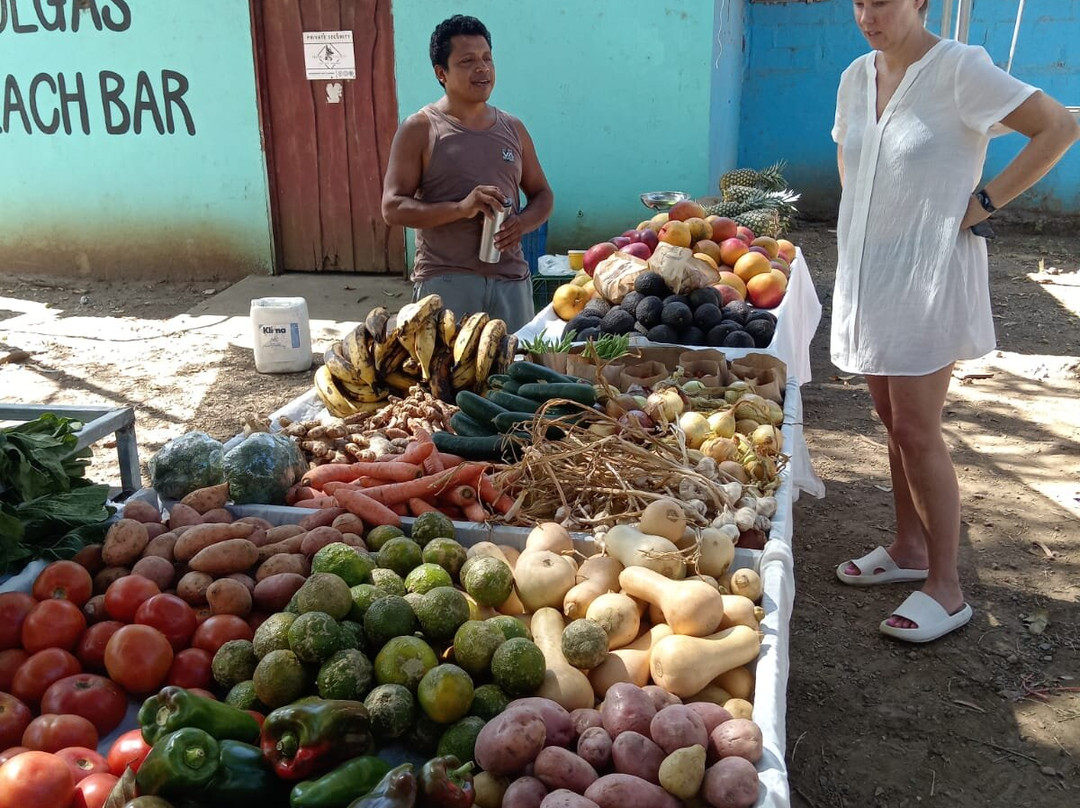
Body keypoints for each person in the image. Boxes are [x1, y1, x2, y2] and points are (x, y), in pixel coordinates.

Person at [831, 0, 1079, 642]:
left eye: (881, 1)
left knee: (918, 428)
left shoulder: (960, 69)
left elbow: (1057, 126)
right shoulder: (856, 75)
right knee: (892, 424)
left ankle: (946, 586)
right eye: (857, 1)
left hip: (930, 274)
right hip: (872, 273)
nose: (866, 14)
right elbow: (852, 166)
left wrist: (984, 202)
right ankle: (908, 548)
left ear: (919, 1)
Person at [381, 14, 554, 333]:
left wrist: (521, 224)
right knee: (447, 382)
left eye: (487, 58)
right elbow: (392, 207)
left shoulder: (513, 128)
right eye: (468, 60)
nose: (482, 68)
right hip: (447, 284)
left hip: (511, 282)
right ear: (441, 72)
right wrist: (461, 208)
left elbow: (543, 195)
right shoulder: (420, 129)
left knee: (514, 377)